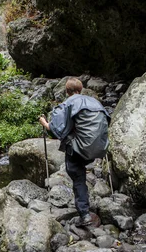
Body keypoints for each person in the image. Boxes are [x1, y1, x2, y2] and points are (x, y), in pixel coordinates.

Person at [39, 77, 110, 226]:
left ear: (67, 91)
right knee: (80, 171)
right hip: (98, 148)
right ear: (81, 89)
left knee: (77, 176)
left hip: (79, 150)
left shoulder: (68, 103)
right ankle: (91, 202)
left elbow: (56, 131)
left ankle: (84, 214)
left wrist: (44, 123)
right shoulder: (95, 103)